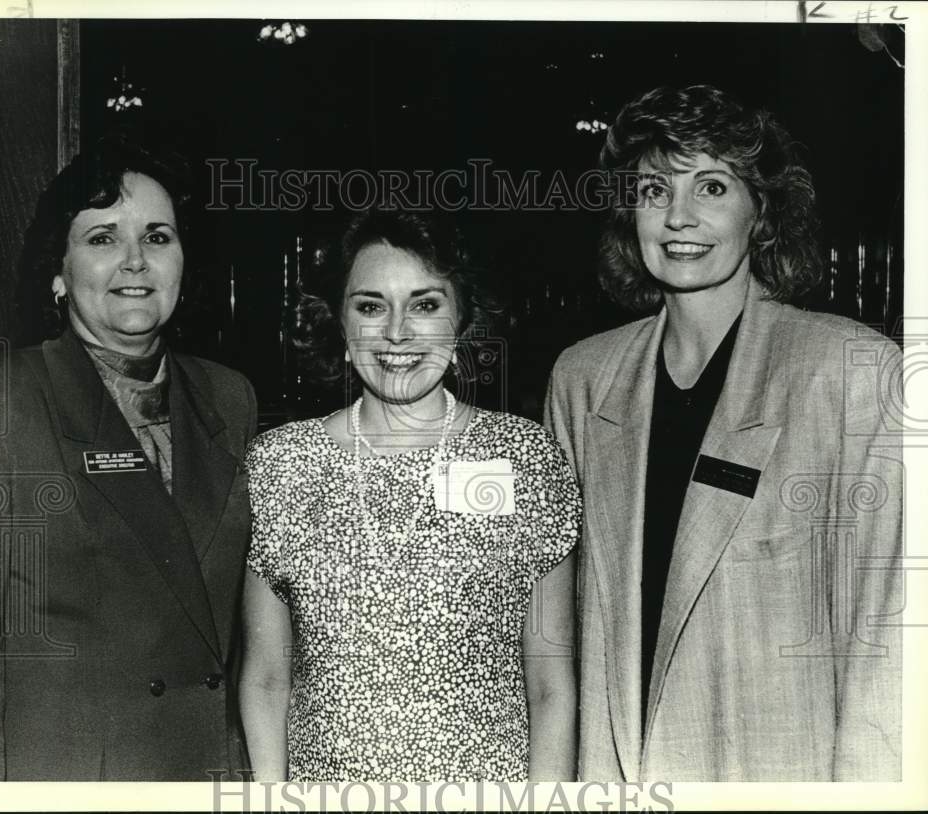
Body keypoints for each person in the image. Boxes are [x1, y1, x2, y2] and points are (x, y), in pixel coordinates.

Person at [545, 85, 903, 781]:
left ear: (760, 211)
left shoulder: (850, 373)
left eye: (711, 186)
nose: (679, 216)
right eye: (654, 189)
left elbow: (890, 639)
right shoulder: (582, 380)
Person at [0, 138, 257, 780]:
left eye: (157, 236)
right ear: (57, 273)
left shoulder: (230, 397)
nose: (135, 262)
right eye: (101, 239)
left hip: (205, 771)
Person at [240, 209, 580, 782]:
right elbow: (267, 678)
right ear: (340, 324)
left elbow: (550, 686)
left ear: (463, 320)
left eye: (426, 305)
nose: (397, 333)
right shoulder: (282, 463)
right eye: (371, 306)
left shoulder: (525, 457)